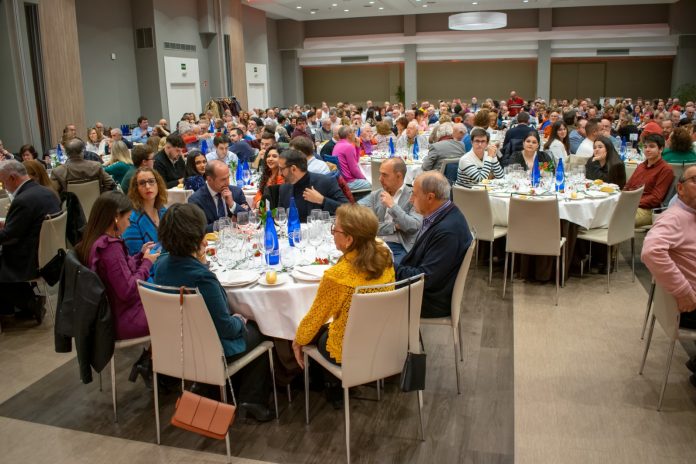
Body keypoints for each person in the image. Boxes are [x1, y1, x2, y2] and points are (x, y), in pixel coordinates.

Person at [155, 203, 273, 420]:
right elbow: (226, 327)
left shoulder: (160, 264)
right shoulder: (202, 278)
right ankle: (250, 402)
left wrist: (200, 261)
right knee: (258, 328)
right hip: (209, 349)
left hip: (176, 345)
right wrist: (240, 318)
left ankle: (215, 389)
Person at [292, 204, 395, 406]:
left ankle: (330, 385)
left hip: (351, 350)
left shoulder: (337, 276)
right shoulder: (385, 256)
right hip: (384, 339)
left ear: (349, 239)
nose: (332, 233)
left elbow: (316, 316)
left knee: (318, 334)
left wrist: (298, 340)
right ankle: (334, 385)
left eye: (335, 229)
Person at [75, 191, 159, 345]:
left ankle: (151, 357)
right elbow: (127, 290)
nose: (129, 224)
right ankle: (155, 361)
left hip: (110, 313)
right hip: (122, 318)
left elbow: (118, 273)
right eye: (127, 219)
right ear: (115, 217)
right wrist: (147, 263)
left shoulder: (93, 238)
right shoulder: (110, 248)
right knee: (177, 313)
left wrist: (140, 256)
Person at [641, 165, 696, 387]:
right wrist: (683, 291)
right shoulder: (675, 217)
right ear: (680, 189)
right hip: (688, 304)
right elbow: (651, 251)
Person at [396, 172, 473, 317]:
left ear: (430, 197)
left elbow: (424, 279)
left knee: (363, 289)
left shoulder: (447, 232)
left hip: (430, 299)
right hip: (429, 288)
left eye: (414, 194)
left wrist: (388, 265)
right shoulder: (445, 212)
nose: (411, 200)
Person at [0, 160, 62, 323]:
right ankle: (21, 305)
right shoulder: (46, 192)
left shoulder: (23, 200)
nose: (4, 186)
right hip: (51, 256)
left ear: (13, 178)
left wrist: (6, 227)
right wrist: (7, 223)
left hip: (29, 259)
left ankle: (27, 304)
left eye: (3, 181)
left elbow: (9, 236)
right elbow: (26, 225)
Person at [358, 158, 421, 265]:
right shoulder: (376, 195)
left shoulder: (413, 196)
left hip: (399, 247)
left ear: (399, 176)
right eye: (380, 174)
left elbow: (413, 227)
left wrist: (392, 206)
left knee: (386, 270)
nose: (380, 179)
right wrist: (394, 227)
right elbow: (365, 225)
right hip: (374, 244)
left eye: (385, 175)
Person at [274, 149, 348, 222]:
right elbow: (280, 217)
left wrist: (322, 200)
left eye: (281, 169)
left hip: (320, 232)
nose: (279, 173)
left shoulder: (325, 182)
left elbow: (348, 209)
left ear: (293, 169)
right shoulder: (284, 188)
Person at [624, 133, 675, 227]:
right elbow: (628, 186)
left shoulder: (666, 169)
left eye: (651, 147)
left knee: (617, 218)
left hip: (647, 210)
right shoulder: (641, 166)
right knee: (605, 212)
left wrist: (632, 201)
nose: (647, 149)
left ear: (661, 149)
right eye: (645, 146)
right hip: (630, 204)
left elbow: (656, 198)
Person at [188, 159, 249, 232]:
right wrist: (228, 222)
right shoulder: (196, 200)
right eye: (223, 179)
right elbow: (198, 229)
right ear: (209, 179)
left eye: (228, 177)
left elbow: (249, 218)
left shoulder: (236, 192)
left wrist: (232, 204)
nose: (227, 182)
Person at [123, 168, 168, 256]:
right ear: (136, 188)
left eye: (151, 181)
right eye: (142, 183)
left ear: (158, 184)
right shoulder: (131, 219)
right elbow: (135, 257)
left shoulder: (162, 211)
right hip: (147, 267)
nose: (147, 186)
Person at [50, 138, 116, 194]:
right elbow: (110, 183)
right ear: (83, 151)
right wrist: (100, 195)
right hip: (96, 206)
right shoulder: (96, 166)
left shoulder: (57, 172)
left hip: (70, 208)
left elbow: (53, 193)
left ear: (66, 153)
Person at [332, 125, 371, 191]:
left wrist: (357, 147)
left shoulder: (338, 144)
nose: (355, 135)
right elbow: (354, 170)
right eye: (353, 132)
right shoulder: (348, 146)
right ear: (349, 135)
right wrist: (365, 178)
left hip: (341, 180)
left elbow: (356, 162)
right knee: (375, 183)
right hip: (349, 182)